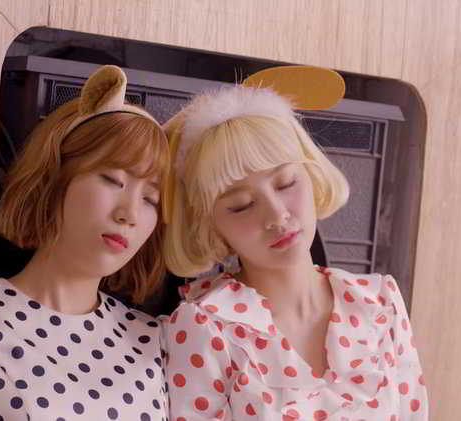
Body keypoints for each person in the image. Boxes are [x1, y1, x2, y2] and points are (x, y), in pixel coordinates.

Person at [0, 65, 169, 421]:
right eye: (111, 180)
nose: (130, 213)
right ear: (55, 177)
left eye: (151, 199)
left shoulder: (153, 339)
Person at [161, 72, 428, 420]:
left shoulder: (381, 301)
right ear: (210, 225)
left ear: (312, 176)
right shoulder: (204, 326)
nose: (276, 215)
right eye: (242, 205)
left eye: (286, 183)